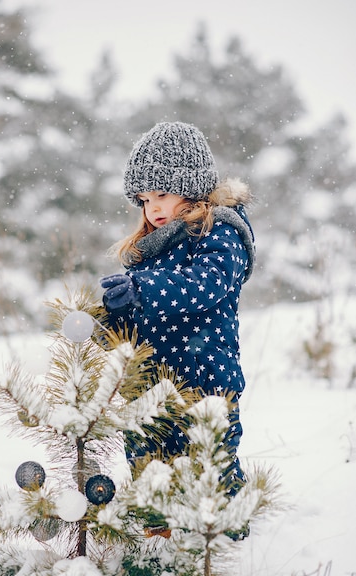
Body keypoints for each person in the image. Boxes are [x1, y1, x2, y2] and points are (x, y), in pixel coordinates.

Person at [100, 121, 255, 502]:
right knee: (150, 476)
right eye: (143, 199)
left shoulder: (220, 233)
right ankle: (157, 546)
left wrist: (143, 289)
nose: (152, 207)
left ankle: (225, 541)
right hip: (149, 386)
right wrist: (111, 320)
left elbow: (206, 282)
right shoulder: (150, 248)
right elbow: (143, 314)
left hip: (204, 380)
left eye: (162, 194)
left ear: (191, 187)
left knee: (211, 475)